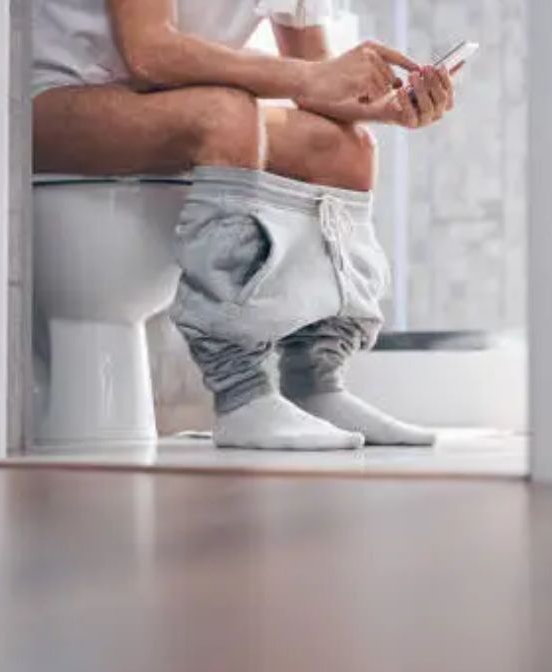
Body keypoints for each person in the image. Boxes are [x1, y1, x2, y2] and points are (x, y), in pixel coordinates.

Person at [32, 0, 456, 449]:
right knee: (227, 113)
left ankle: (314, 383)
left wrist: (389, 104)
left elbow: (316, 81)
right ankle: (241, 395)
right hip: (55, 100)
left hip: (167, 105)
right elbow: (149, 52)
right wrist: (309, 76)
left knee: (344, 147)